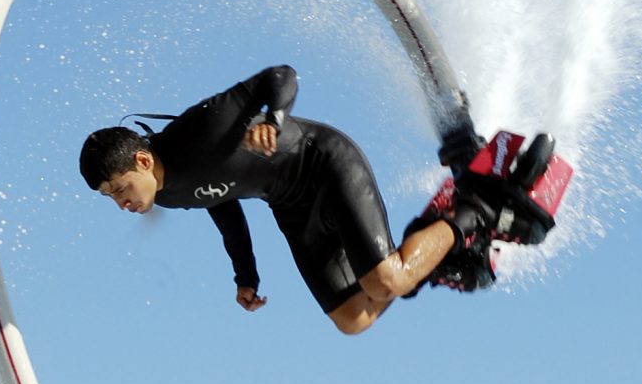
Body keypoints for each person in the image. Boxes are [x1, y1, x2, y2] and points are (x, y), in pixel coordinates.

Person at [79, 65, 554, 336]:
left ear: (142, 161)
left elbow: (280, 74)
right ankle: (431, 248)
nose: (122, 202)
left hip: (327, 164)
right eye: (110, 198)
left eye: (119, 188)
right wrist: (246, 276)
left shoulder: (200, 131)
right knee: (353, 319)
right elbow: (222, 206)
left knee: (387, 278)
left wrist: (274, 116)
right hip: (291, 203)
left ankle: (473, 211)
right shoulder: (167, 192)